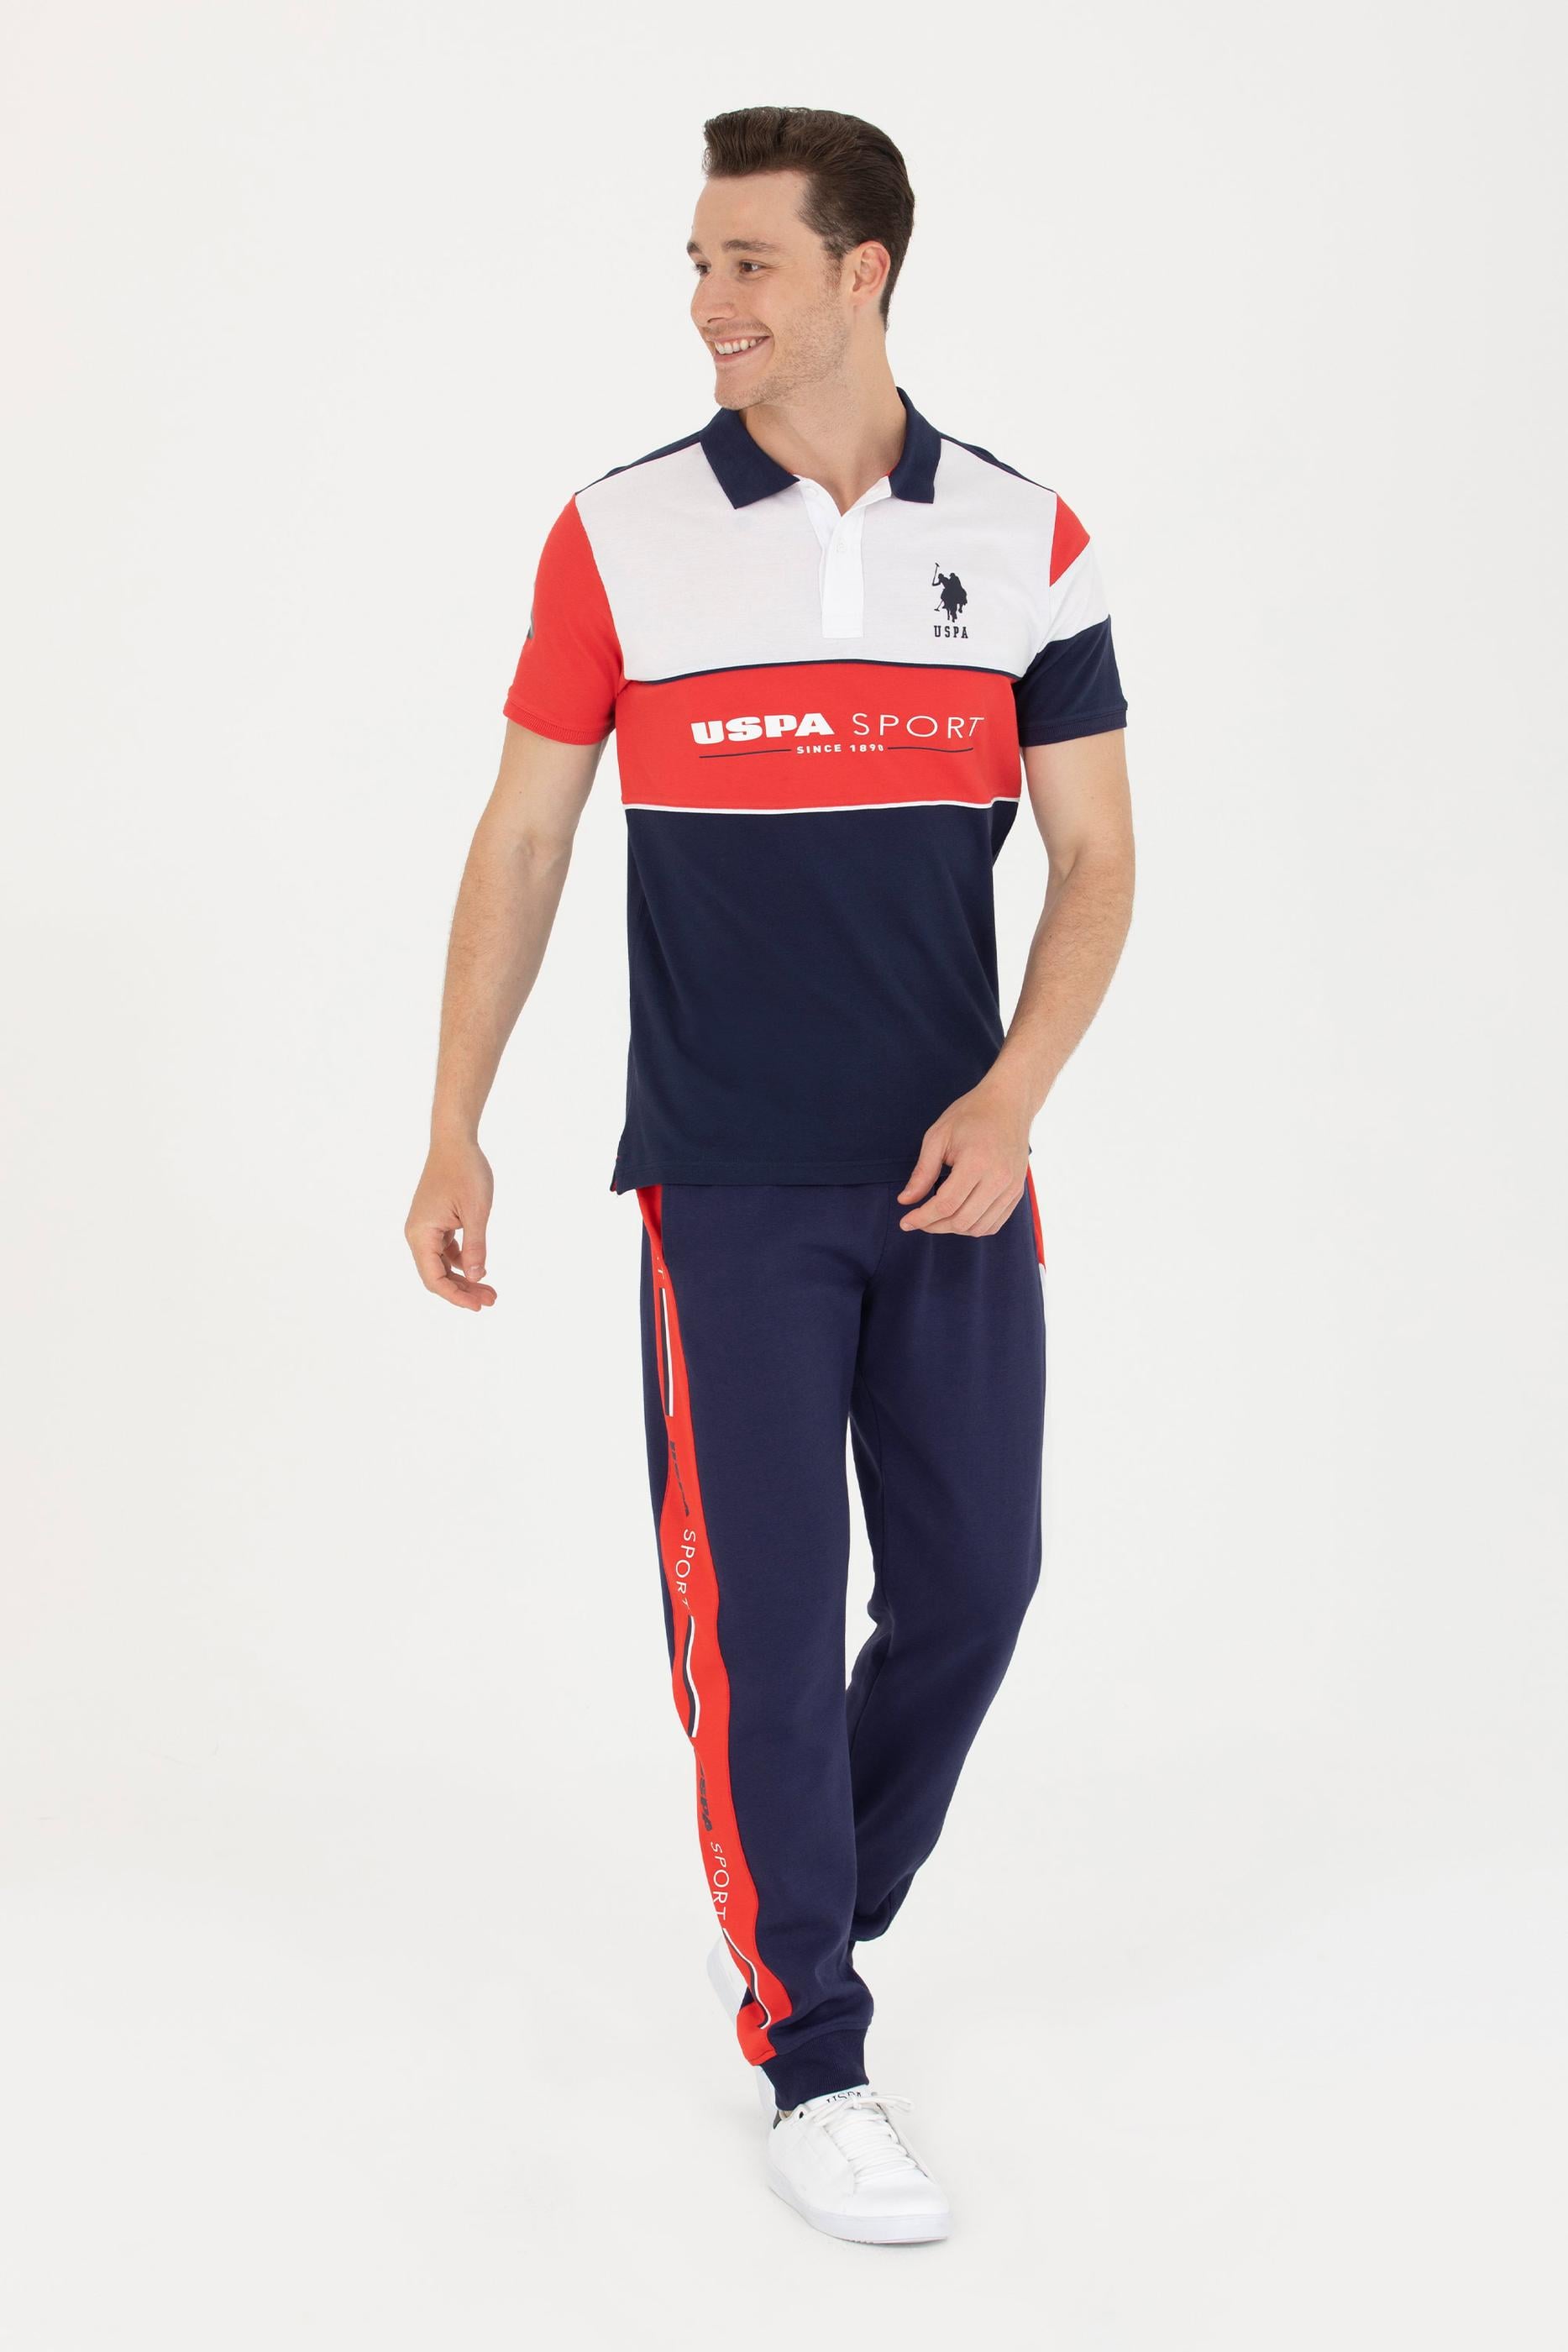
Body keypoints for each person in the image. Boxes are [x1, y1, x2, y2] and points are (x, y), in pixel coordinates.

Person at [404, 103, 1134, 2246]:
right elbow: (525, 836)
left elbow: (1095, 861)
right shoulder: (618, 534)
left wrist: (1011, 1097)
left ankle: (798, 1889)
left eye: (748, 263)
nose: (707, 301)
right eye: (698, 263)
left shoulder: (1025, 536)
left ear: (861, 271)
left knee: (977, 1585)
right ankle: (811, 2036)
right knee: (768, 1623)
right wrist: (454, 1116)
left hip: (953, 1170)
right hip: (725, 1177)